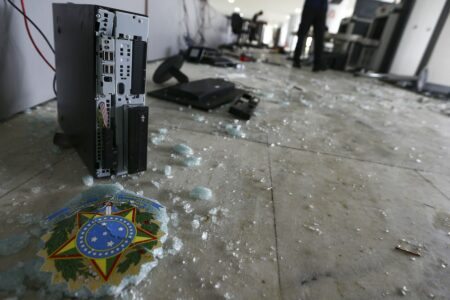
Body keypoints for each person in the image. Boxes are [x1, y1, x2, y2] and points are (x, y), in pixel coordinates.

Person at [292, 0, 328, 71]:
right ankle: (316, 64)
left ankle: (297, 61)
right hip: (318, 6)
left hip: (315, 6)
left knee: (305, 35)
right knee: (317, 37)